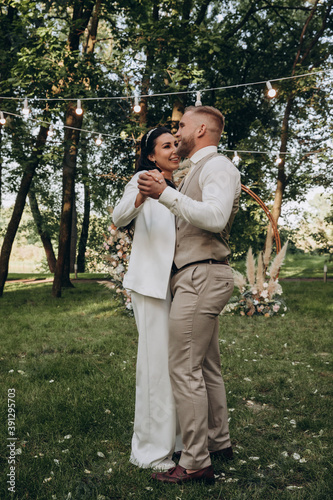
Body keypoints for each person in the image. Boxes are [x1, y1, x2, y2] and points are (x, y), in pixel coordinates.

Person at [137, 106, 241, 484]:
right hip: (199, 275)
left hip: (201, 275)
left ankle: (196, 461)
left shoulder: (218, 167)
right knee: (207, 366)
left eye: (181, 125)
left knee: (184, 368)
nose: (176, 130)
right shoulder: (197, 169)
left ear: (200, 129)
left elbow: (213, 217)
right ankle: (218, 442)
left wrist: (166, 194)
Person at [112, 127, 182, 471]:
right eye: (166, 146)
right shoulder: (143, 178)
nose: (174, 149)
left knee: (180, 366)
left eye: (175, 144)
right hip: (152, 285)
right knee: (155, 367)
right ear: (152, 155)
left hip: (182, 286)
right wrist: (142, 197)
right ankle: (151, 450)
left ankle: (182, 440)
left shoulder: (185, 181)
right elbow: (119, 216)